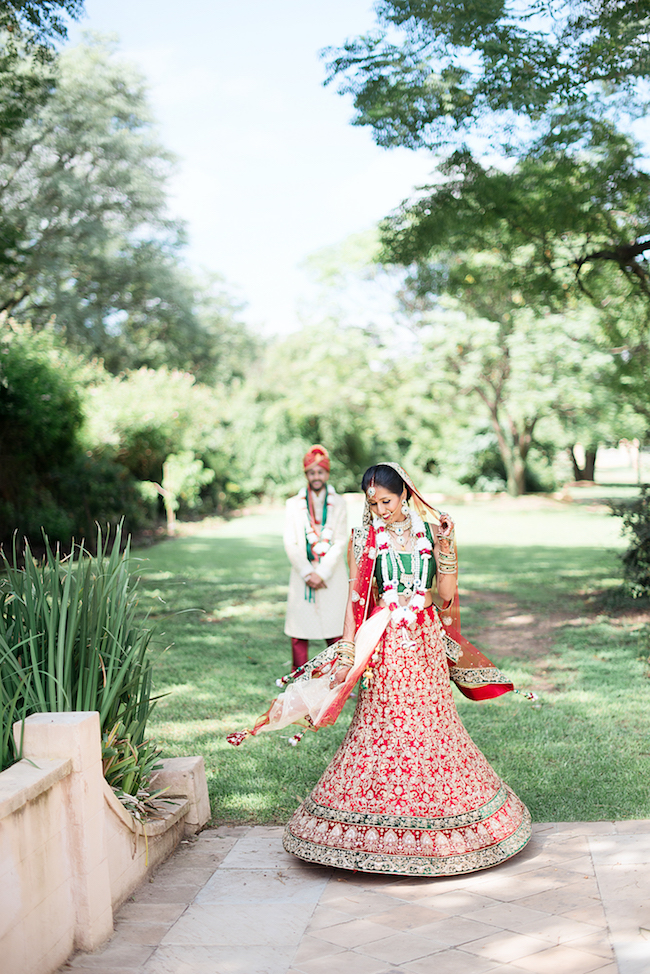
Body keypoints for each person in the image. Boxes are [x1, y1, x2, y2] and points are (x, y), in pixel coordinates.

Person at [228, 461, 531, 877]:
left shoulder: (431, 532)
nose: (380, 509)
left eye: (386, 501)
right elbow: (354, 602)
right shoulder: (363, 538)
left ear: (405, 493)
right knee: (382, 729)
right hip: (385, 648)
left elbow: (444, 598)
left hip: (423, 647)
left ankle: (447, 825)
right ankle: (366, 829)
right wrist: (347, 653)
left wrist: (446, 548)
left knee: (431, 729)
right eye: (373, 502)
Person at [283, 445, 348, 670]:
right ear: (306, 475)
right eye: (312, 472)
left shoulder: (339, 503)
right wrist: (308, 572)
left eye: (320, 472)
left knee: (335, 627)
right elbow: (290, 542)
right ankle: (299, 680)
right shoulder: (293, 505)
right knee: (299, 630)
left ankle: (338, 677)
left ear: (327, 474)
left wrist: (322, 573)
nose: (316, 477)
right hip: (303, 574)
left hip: (332, 574)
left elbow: (340, 541)